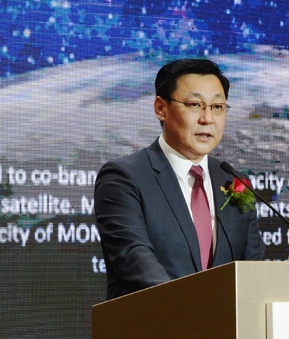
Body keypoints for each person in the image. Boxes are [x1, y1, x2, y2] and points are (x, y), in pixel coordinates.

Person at [93, 58, 265, 299]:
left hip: (226, 322)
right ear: (160, 108)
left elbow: (253, 270)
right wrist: (196, 311)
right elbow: (134, 260)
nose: (208, 119)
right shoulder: (124, 178)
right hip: (156, 319)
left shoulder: (234, 181)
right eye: (195, 105)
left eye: (217, 107)